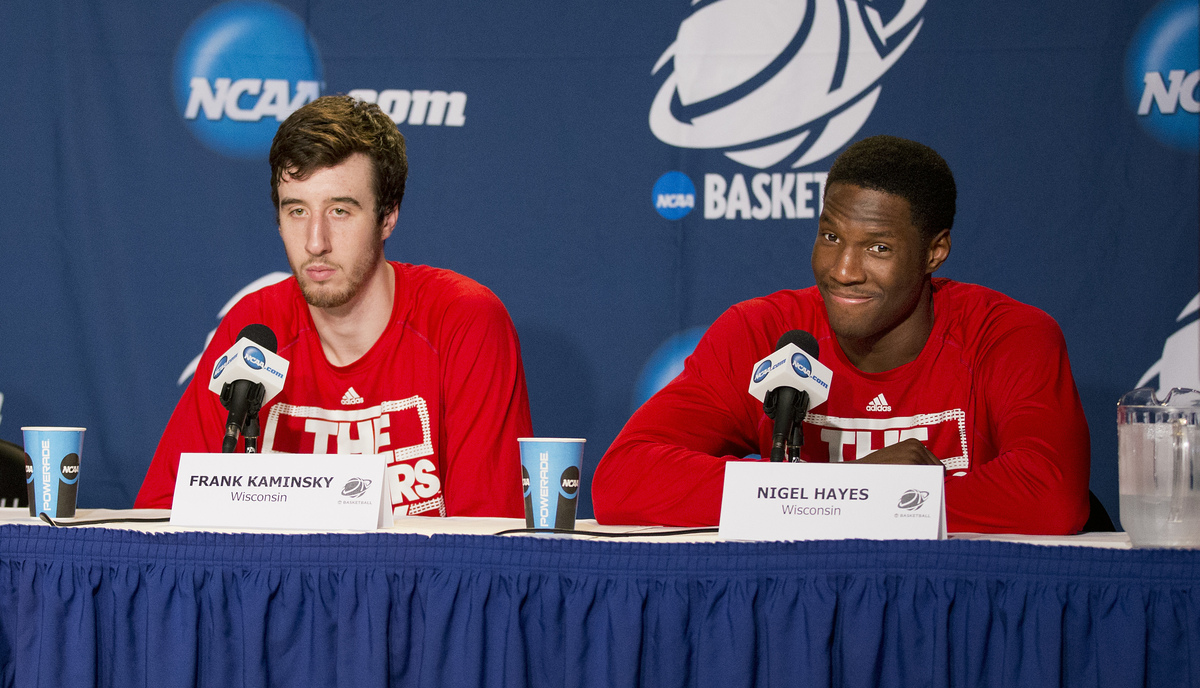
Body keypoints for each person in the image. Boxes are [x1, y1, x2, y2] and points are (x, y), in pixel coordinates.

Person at [593, 135, 1090, 534]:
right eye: (831, 237)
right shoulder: (762, 332)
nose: (843, 270)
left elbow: (1052, 495)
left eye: (877, 247)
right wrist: (851, 490)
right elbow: (623, 479)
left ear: (935, 252)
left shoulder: (1007, 335)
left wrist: (812, 501)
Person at [137, 95, 532, 517]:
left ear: (388, 216)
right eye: (297, 211)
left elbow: (487, 535)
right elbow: (165, 514)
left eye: (340, 210)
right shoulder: (254, 328)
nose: (315, 241)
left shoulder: (463, 321)